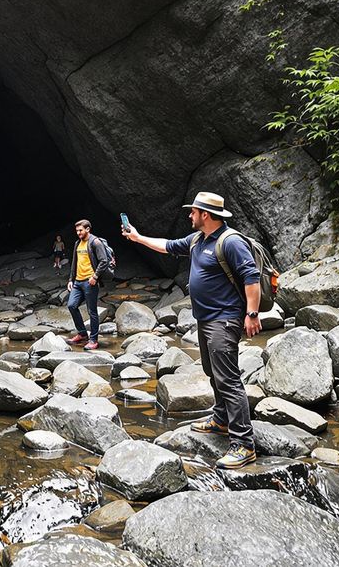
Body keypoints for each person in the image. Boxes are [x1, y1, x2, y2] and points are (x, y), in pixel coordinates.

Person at [121, 191, 261, 470]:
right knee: (213, 372)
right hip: (206, 319)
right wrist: (138, 238)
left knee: (229, 379)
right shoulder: (198, 239)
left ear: (205, 215)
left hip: (225, 319)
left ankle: (244, 444)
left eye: (193, 212)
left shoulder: (230, 242)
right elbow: (167, 246)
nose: (189, 215)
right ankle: (221, 419)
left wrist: (252, 314)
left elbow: (251, 278)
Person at [66, 219, 112, 351]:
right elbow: (74, 263)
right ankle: (82, 334)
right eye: (77, 231)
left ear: (88, 229)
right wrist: (70, 279)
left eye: (80, 230)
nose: (78, 233)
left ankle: (93, 340)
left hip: (89, 282)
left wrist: (95, 277)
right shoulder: (77, 244)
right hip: (77, 282)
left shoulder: (95, 242)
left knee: (92, 311)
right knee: (71, 305)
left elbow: (103, 261)